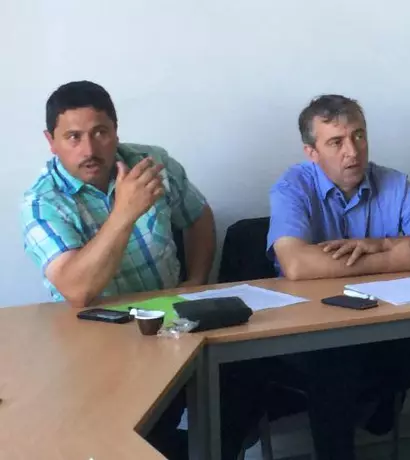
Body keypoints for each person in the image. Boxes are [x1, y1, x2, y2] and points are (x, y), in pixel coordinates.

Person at [20, 80, 265, 460]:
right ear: (50, 141)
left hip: (171, 326)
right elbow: (77, 289)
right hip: (95, 345)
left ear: (115, 130)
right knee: (139, 437)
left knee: (245, 384)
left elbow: (198, 216)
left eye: (100, 132)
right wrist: (125, 211)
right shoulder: (41, 202)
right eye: (73, 137)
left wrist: (197, 280)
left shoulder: (152, 163)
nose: (88, 149)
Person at [266, 94, 410, 459]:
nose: (353, 151)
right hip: (314, 335)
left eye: (359, 136)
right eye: (336, 142)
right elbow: (297, 264)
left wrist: (379, 244)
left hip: (385, 328)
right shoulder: (292, 187)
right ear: (311, 152)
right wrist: (396, 259)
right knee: (335, 362)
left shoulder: (392, 183)